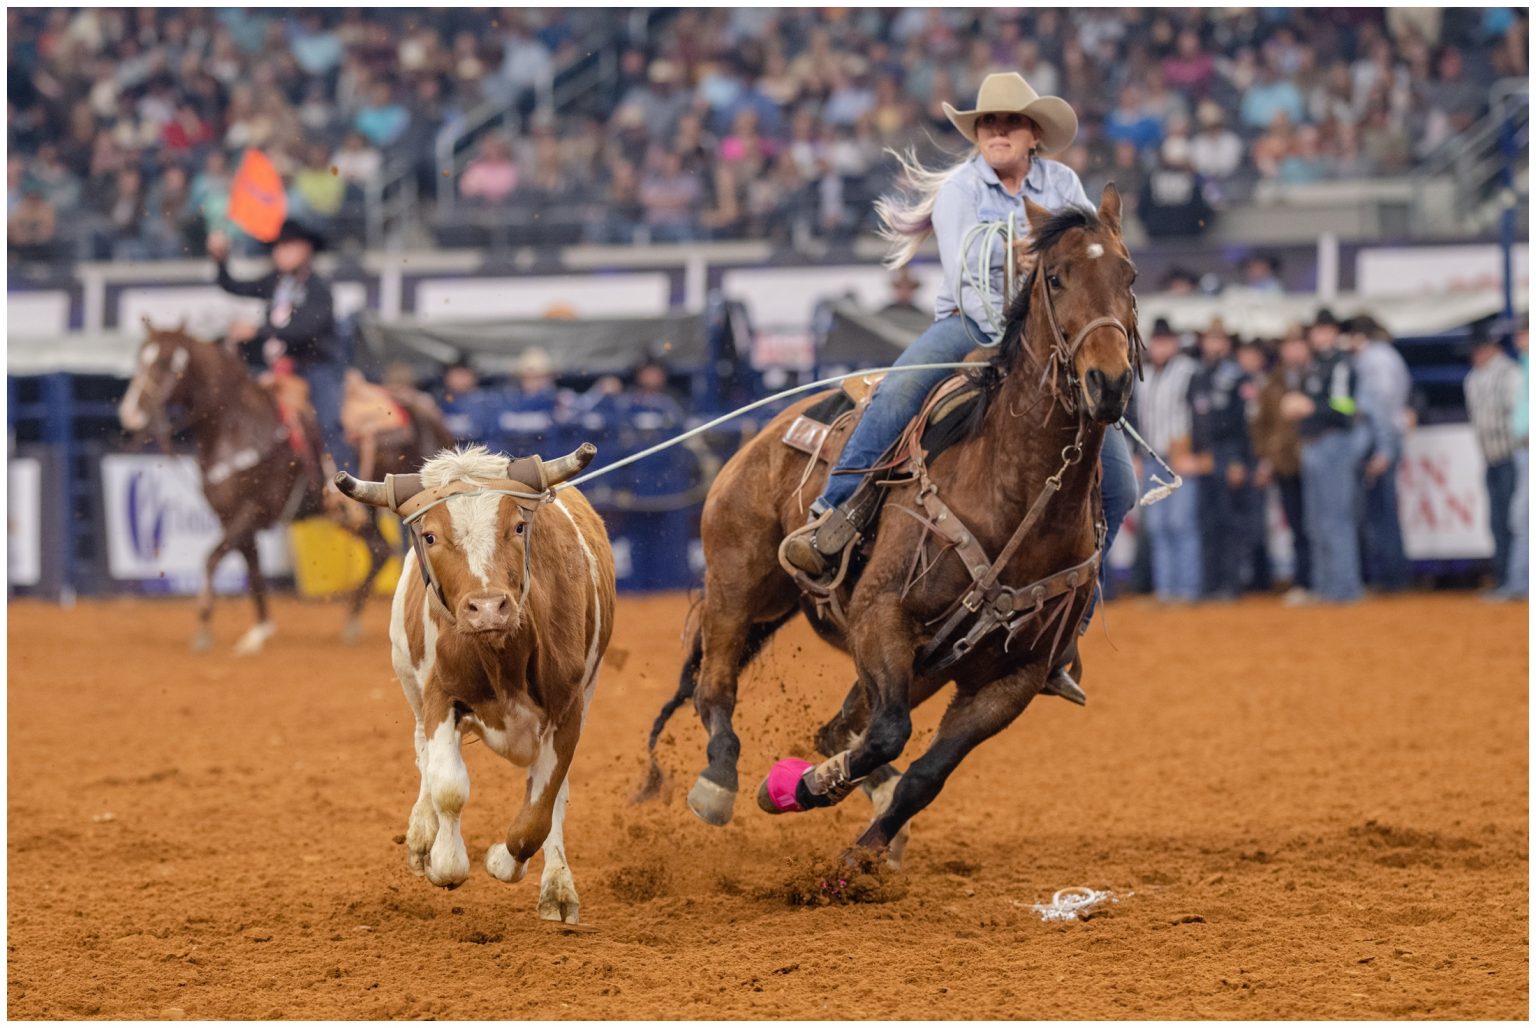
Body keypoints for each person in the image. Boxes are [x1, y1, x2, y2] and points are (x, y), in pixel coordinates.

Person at [780, 71, 1138, 703]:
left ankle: (1062, 634)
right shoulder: (958, 193)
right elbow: (966, 280)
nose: (997, 132)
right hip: (969, 326)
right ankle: (829, 515)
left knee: (1122, 485)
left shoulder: (1064, 186)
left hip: (1048, 345)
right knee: (897, 393)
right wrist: (1010, 340)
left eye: (1010, 123)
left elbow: (1090, 267)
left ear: (1033, 135)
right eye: (988, 124)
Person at [210, 219, 354, 477]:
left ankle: (346, 484)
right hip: (279, 369)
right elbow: (233, 285)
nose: (280, 251)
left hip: (316, 368)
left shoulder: (318, 288)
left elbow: (306, 328)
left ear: (306, 249)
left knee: (328, 421)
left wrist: (258, 330)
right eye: (278, 246)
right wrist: (221, 260)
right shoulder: (276, 282)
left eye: (288, 245)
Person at [1284, 309, 1361, 604]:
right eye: (1315, 330)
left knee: (1335, 518)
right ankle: (1324, 586)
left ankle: (1343, 587)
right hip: (1313, 444)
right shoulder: (1316, 365)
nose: (1317, 335)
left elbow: (1344, 409)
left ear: (1332, 332)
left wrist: (1309, 407)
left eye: (1322, 330)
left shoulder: (1340, 364)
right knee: (1316, 520)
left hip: (1332, 443)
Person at [1133, 318, 1202, 604]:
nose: (1161, 347)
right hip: (1152, 456)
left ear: (1174, 343)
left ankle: (1187, 589)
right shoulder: (1143, 374)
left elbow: (1200, 415)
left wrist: (1195, 453)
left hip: (1179, 456)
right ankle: (1166, 590)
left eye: (1166, 341)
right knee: (1158, 527)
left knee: (1181, 524)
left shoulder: (1188, 371)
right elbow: (1134, 418)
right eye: (1157, 341)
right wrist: (1136, 454)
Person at [1187, 321, 1252, 600]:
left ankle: (1230, 583)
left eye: (1219, 338)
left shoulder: (1237, 376)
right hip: (1204, 455)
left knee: (1229, 520)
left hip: (1228, 452)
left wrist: (1239, 460)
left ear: (1226, 342)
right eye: (1209, 339)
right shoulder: (1198, 375)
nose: (1213, 344)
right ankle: (1210, 582)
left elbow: (1245, 422)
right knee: (1207, 520)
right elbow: (1193, 418)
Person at [1347, 316, 1412, 592]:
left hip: (1379, 441)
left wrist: (1383, 450)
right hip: (1380, 438)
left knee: (1382, 513)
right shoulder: (1383, 357)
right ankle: (1392, 577)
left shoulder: (1375, 360)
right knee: (1380, 512)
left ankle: (1393, 578)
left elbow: (1382, 408)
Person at [1252, 330, 1314, 602]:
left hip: (1315, 461)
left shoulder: (1317, 374)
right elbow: (1261, 426)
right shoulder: (1273, 384)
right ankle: (1304, 581)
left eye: (1298, 344)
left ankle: (1322, 579)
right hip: (1286, 464)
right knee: (1298, 525)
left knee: (1319, 524)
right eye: (1289, 346)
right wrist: (1268, 457)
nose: (1294, 351)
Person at [1464, 327, 1522, 595]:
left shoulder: (1510, 373)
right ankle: (1504, 579)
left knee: (1514, 521)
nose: (1474, 355)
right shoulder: (1473, 379)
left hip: (1512, 456)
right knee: (1498, 522)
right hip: (1491, 458)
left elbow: (1518, 416)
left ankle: (1516, 580)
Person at [1496, 317, 1528, 601]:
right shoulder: (1523, 365)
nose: (1518, 338)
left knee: (1522, 517)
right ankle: (1519, 583)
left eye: (1523, 333)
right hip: (1523, 448)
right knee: (1521, 517)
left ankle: (1520, 584)